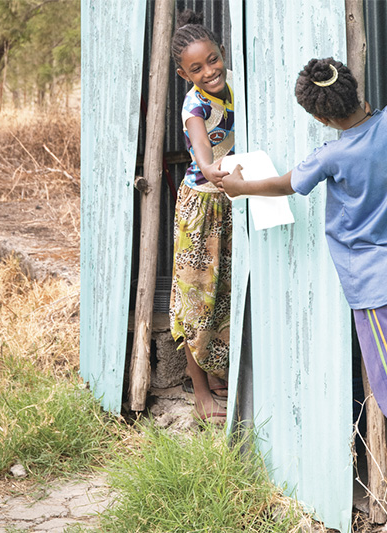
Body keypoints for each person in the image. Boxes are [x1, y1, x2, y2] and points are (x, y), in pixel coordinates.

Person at [222, 58, 387, 533]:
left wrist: (238, 188)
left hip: (378, 285)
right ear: (357, 88)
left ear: (319, 118)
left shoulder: (331, 155)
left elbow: (286, 184)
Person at [169, 9, 233, 425]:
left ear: (221, 53)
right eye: (197, 68)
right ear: (184, 74)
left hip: (229, 199)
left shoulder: (233, 88)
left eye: (212, 60)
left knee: (223, 295)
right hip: (202, 205)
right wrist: (214, 170)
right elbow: (205, 158)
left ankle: (220, 372)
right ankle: (200, 389)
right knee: (195, 302)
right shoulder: (195, 106)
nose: (209, 71)